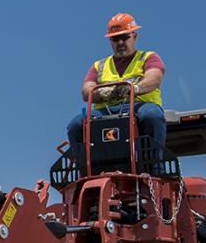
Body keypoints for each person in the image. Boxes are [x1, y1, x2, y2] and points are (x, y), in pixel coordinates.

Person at [66, 12, 167, 158]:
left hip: (139, 106)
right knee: (75, 125)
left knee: (152, 116)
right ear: (110, 41)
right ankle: (84, 166)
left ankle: (154, 165)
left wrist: (134, 89)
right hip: (106, 110)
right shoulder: (99, 65)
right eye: (115, 39)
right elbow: (86, 91)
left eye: (124, 37)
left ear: (134, 36)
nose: (120, 43)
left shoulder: (148, 58)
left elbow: (154, 79)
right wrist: (101, 93)